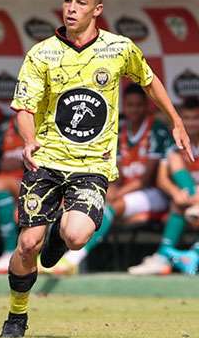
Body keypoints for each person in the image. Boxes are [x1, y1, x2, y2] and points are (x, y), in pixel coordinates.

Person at [0, 0, 191, 338]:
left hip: (92, 166)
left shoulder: (119, 49)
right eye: (67, 0)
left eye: (80, 3)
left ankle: (57, 234)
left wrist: (176, 121)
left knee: (76, 237)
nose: (71, 9)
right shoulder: (42, 54)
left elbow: (149, 81)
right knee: (26, 245)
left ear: (97, 9)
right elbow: (24, 108)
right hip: (47, 161)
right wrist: (27, 140)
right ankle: (17, 314)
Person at [52, 84, 171, 274]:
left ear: (146, 106)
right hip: (128, 192)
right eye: (130, 105)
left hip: (154, 193)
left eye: (138, 105)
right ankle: (55, 254)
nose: (134, 110)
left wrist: (117, 194)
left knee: (113, 207)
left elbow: (146, 179)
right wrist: (112, 190)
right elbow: (113, 171)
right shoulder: (119, 130)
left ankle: (74, 259)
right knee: (89, 202)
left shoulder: (155, 129)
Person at [128, 97, 199, 275]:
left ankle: (175, 256)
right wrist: (176, 192)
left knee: (184, 206)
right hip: (190, 201)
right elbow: (161, 179)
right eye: (187, 118)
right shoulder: (174, 142)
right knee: (179, 202)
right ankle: (166, 258)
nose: (191, 123)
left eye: (195, 118)